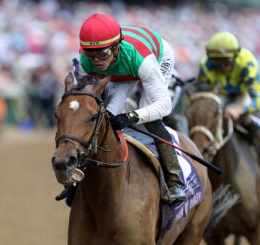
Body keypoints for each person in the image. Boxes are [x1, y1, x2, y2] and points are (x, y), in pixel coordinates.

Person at [74, 13, 186, 204]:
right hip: (120, 72)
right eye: (91, 54)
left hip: (156, 57)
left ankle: (175, 181)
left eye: (103, 54)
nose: (97, 60)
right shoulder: (84, 62)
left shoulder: (142, 60)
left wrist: (132, 116)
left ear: (116, 48)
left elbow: (163, 105)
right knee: (105, 114)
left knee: (149, 115)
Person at [195, 31, 260, 183]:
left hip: (242, 94)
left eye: (227, 62)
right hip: (220, 95)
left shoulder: (247, 63)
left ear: (236, 57)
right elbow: (201, 96)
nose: (222, 67)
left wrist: (240, 109)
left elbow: (259, 101)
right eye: (217, 62)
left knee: (246, 118)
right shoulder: (206, 65)